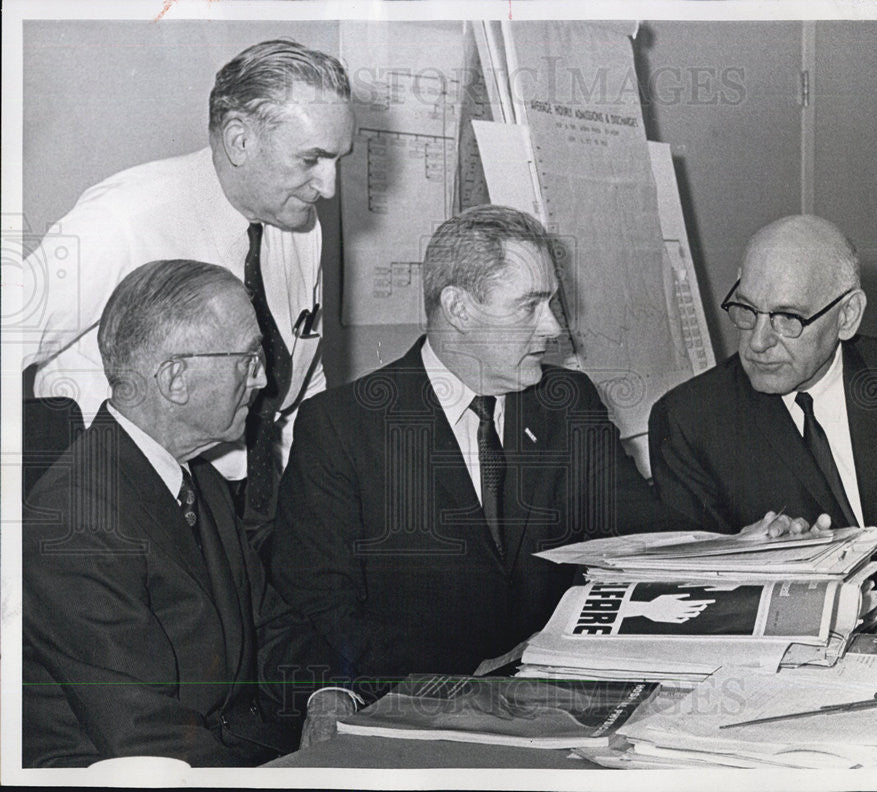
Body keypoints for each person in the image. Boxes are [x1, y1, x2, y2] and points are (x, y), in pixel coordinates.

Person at [269, 205, 674, 682]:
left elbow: (642, 538)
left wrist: (730, 548)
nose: (553, 328)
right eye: (530, 306)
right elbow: (318, 609)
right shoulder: (343, 428)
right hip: (416, 705)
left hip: (555, 693)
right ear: (459, 308)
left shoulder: (568, 404)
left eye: (551, 305)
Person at [22, 260, 357, 767]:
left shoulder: (198, 478)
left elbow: (270, 627)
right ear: (176, 378)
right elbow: (145, 733)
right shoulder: (75, 520)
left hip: (238, 751)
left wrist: (325, 695)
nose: (263, 379)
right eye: (248, 359)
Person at [21, 39, 355, 542]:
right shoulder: (124, 219)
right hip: (120, 514)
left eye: (337, 160)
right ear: (240, 140)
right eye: (311, 159)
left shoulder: (301, 227)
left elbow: (306, 380)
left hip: (250, 505)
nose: (328, 186)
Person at [648, 215, 877, 609]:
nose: (757, 341)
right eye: (747, 310)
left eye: (788, 318)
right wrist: (750, 565)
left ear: (847, 315)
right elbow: (689, 603)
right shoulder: (687, 422)